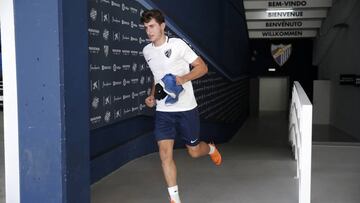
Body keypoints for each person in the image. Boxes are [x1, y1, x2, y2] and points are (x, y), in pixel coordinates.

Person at [140, 9, 222, 203]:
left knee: (193, 152)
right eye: (145, 28)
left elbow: (202, 67)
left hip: (186, 109)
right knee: (165, 154)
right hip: (163, 111)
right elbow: (156, 76)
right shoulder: (147, 51)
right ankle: (175, 199)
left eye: (152, 26)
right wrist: (152, 96)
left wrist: (182, 79)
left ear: (162, 25)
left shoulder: (178, 45)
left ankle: (210, 149)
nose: (149, 31)